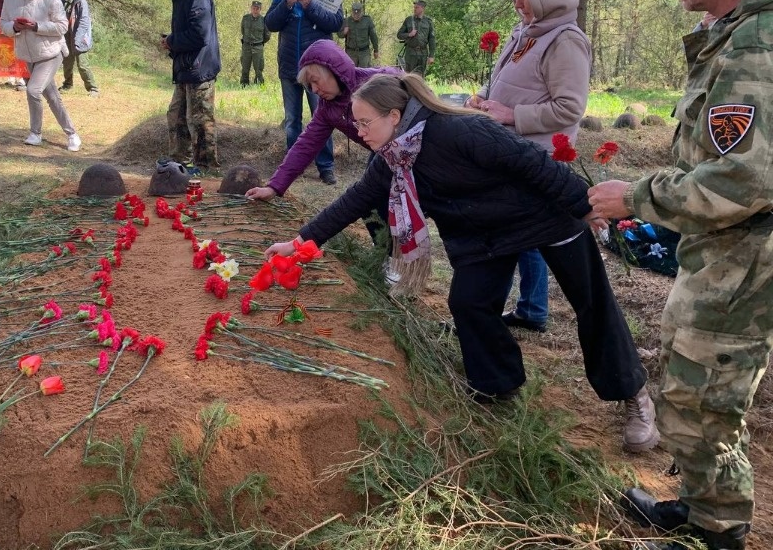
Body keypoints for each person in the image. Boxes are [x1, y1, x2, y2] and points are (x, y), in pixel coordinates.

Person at [266, 73, 658, 452]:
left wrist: (583, 204)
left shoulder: (459, 131)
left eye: (366, 122)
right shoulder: (391, 160)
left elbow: (533, 163)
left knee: (591, 301)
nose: (360, 131)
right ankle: (499, 385)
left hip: (542, 215)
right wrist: (299, 242)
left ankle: (632, 393)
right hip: (484, 236)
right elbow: (352, 201)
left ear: (395, 116)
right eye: (356, 122)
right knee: (469, 303)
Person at [589, 0, 773, 550]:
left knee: (705, 405)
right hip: (722, 255)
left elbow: (744, 180)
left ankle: (716, 535)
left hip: (745, 264)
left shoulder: (758, 44)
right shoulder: (733, 36)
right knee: (693, 394)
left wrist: (637, 197)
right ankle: (700, 508)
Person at [465, 0, 591, 333]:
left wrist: (511, 115)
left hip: (537, 156)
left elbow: (570, 107)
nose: (518, 3)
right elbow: (510, 81)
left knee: (531, 231)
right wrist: (485, 100)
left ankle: (533, 309)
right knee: (523, 230)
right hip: (512, 152)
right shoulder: (527, 33)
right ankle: (530, 307)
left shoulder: (565, 41)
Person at [245, 39, 399, 203]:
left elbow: (415, 94)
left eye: (315, 81)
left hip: (416, 149)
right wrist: (274, 187)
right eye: (310, 85)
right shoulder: (327, 108)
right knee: (373, 203)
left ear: (334, 71)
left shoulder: (376, 82)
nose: (314, 90)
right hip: (383, 156)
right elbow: (306, 144)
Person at [265, 0, 344, 185]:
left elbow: (336, 24)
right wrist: (286, 5)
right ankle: (293, 167)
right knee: (292, 121)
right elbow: (270, 24)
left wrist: (311, 6)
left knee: (322, 117)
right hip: (289, 67)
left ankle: (326, 167)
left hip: (318, 69)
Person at [0, 0, 81, 152]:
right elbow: (3, 24)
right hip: (29, 55)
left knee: (33, 90)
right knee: (52, 97)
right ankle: (72, 134)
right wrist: (15, 27)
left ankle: (35, 133)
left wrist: (36, 26)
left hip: (52, 52)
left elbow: (62, 26)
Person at [160, 0, 220, 172]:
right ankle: (178, 165)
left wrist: (173, 41)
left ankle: (206, 168)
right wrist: (172, 41)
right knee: (176, 116)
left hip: (199, 67)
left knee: (200, 120)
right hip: (186, 65)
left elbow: (200, 33)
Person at [57, 0, 99, 97]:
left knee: (82, 64)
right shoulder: (61, 0)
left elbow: (84, 22)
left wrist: (78, 39)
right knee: (67, 62)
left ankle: (93, 88)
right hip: (66, 36)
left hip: (79, 37)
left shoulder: (81, 2)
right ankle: (67, 84)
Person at [396, 0, 435, 75]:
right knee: (409, 76)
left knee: (420, 77)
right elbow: (399, 35)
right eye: (414, 7)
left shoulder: (428, 22)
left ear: (422, 8)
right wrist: (409, 34)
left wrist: (431, 55)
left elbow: (432, 39)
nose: (414, 9)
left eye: (417, 7)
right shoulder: (409, 20)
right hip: (410, 53)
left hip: (423, 53)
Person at [338, 1, 379, 67]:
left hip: (364, 52)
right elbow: (339, 35)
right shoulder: (347, 21)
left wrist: (376, 50)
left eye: (358, 14)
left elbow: (373, 36)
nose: (356, 16)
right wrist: (344, 32)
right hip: (351, 52)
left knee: (364, 73)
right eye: (354, 14)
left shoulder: (367, 20)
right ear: (352, 12)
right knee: (351, 71)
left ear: (362, 12)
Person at [239, 0, 270, 86]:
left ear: (260, 9)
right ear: (251, 8)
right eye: (254, 8)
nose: (255, 10)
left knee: (259, 68)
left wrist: (259, 42)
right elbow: (242, 31)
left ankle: (259, 85)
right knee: (245, 67)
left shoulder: (264, 20)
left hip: (258, 47)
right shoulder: (245, 19)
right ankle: (244, 85)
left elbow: (267, 35)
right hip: (246, 46)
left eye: (257, 8)